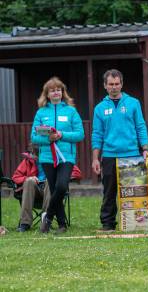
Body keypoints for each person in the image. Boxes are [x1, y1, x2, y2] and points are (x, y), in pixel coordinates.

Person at [92, 69, 148, 232]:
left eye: (117, 84)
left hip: (132, 154)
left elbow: (141, 126)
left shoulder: (133, 103)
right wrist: (95, 158)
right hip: (109, 155)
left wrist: (145, 148)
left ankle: (137, 224)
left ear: (122, 84)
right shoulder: (99, 108)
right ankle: (108, 223)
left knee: (135, 192)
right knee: (109, 192)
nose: (114, 87)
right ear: (105, 85)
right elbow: (97, 134)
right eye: (110, 84)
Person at [31, 77, 85, 233]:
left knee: (61, 186)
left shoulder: (71, 111)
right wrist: (48, 138)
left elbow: (80, 134)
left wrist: (62, 135)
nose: (56, 92)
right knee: (55, 189)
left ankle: (47, 217)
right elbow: (34, 137)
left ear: (63, 92)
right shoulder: (41, 112)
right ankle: (62, 225)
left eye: (59, 90)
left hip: (66, 157)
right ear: (47, 94)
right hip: (47, 158)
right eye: (52, 90)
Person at [12, 144, 50, 232]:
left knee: (50, 182)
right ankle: (25, 223)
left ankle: (46, 221)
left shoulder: (55, 159)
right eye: (34, 153)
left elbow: (73, 172)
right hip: (34, 191)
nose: (35, 156)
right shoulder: (28, 161)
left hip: (49, 191)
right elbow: (15, 177)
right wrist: (28, 178)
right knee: (29, 181)